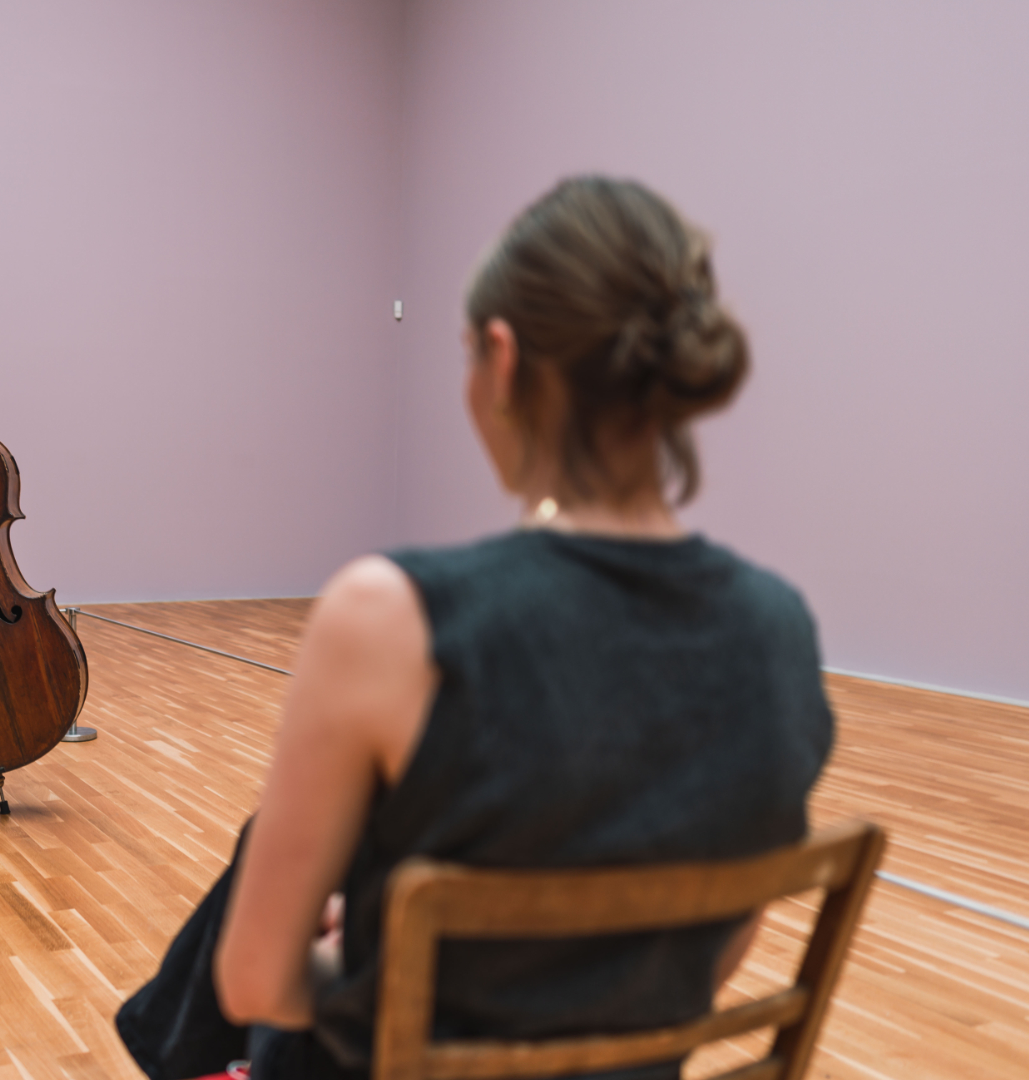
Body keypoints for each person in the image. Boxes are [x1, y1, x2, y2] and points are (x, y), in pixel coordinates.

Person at [116, 177, 834, 1080]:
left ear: (503, 359)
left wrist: (361, 956)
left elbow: (257, 984)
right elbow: (713, 958)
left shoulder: (390, 614)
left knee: (270, 868)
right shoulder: (780, 627)